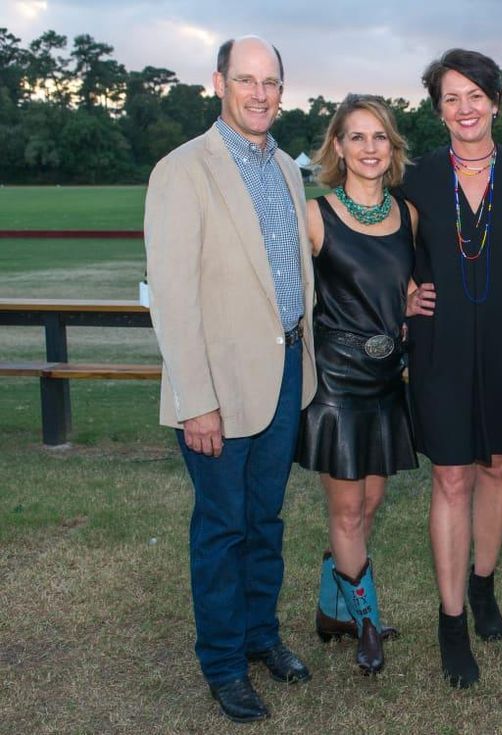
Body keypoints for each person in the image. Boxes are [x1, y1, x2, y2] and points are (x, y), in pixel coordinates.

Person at [144, 36, 315, 723]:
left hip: (284, 375)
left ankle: (259, 636)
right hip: (219, 387)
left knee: (265, 520)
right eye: (246, 80)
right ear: (219, 83)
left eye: (271, 81)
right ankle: (222, 662)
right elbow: (175, 298)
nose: (260, 93)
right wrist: (197, 401)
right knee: (222, 526)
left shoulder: (287, 169)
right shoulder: (184, 170)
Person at [400, 48, 502, 688]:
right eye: (451, 97)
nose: (465, 108)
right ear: (437, 109)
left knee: (499, 465)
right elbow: (373, 244)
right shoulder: (417, 177)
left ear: (496, 101)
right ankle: (451, 619)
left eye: (475, 95)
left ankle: (483, 582)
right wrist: (398, 293)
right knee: (452, 477)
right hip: (441, 346)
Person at [297, 94, 417, 676]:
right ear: (337, 147)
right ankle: (367, 623)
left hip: (387, 380)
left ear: (391, 148)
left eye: (379, 138)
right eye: (356, 137)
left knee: (371, 501)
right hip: (336, 385)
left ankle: (332, 609)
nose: (369, 148)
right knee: (346, 511)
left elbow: (406, 290)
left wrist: (411, 303)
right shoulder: (315, 216)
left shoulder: (408, 215)